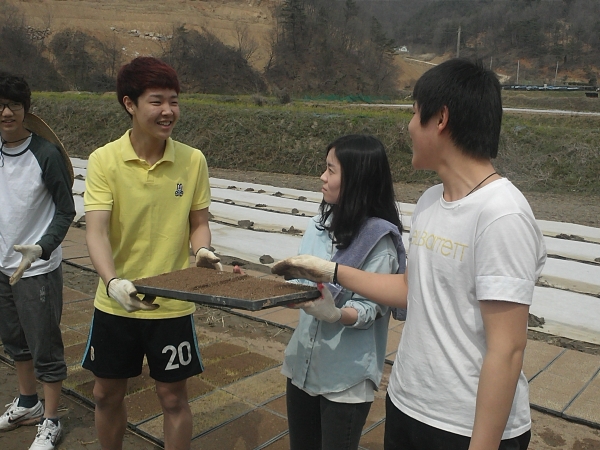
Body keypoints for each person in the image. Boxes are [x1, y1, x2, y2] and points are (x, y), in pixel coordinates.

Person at [273, 59, 547, 450]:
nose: (409, 126)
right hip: (408, 405)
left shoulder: (502, 214)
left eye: (416, 113)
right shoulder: (431, 201)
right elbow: (410, 289)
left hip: (464, 424)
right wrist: (330, 271)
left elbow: (508, 349)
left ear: (441, 119)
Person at [82, 57, 221, 450]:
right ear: (130, 104)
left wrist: (203, 249)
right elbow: (96, 232)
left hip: (172, 303)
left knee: (173, 397)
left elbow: (198, 222)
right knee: (105, 394)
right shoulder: (104, 160)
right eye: (157, 101)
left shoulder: (192, 160)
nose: (168, 111)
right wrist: (112, 282)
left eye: (174, 101)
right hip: (116, 302)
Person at [282, 134, 406, 450]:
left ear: (356, 180)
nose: (322, 177)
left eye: (331, 170)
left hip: (344, 380)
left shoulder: (378, 242)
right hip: (302, 365)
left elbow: (369, 309)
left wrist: (336, 314)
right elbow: (300, 283)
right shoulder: (319, 225)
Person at [0, 72, 75, 450]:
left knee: (45, 345)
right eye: (0, 105)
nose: (6, 112)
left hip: (37, 269)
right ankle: (28, 403)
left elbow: (66, 210)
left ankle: (51, 419)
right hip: (2, 266)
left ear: (26, 110)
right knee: (15, 340)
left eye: (14, 104)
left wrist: (42, 248)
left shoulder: (45, 154)